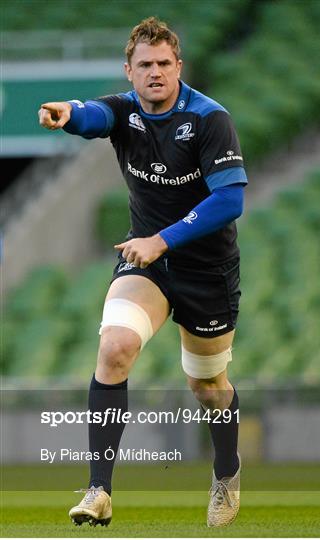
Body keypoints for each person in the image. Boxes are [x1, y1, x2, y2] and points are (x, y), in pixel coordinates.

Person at [38, 17, 248, 528]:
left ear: (179, 66)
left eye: (164, 64)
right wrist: (66, 114)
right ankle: (99, 490)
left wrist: (162, 239)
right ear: (129, 72)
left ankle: (226, 470)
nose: (155, 72)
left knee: (207, 385)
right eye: (144, 65)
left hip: (206, 269)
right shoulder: (124, 110)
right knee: (114, 348)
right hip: (146, 264)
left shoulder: (208, 118)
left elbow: (230, 199)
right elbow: (92, 115)